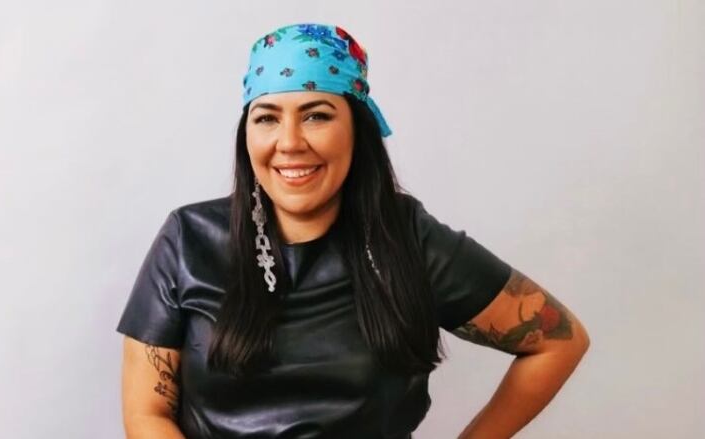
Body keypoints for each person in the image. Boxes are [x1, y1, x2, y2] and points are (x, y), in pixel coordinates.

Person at [116, 22, 590, 439]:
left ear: (356, 129)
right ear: (247, 134)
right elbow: (146, 411)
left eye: (317, 115)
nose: (289, 143)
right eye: (267, 118)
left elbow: (558, 340)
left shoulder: (408, 239)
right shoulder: (188, 238)